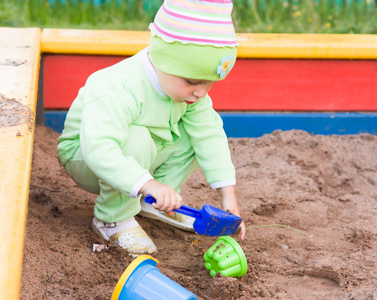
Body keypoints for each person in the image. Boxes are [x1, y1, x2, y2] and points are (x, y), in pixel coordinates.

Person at [57, 0, 246, 257]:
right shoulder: (120, 87)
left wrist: (228, 197)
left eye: (210, 84)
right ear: (163, 59)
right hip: (86, 156)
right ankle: (113, 218)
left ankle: (154, 203)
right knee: (137, 138)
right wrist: (147, 183)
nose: (201, 92)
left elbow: (209, 135)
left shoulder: (190, 94)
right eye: (193, 81)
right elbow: (100, 149)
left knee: (195, 134)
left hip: (138, 152)